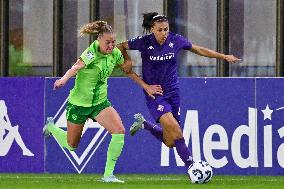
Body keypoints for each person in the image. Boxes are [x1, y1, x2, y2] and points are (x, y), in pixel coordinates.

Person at [117, 12, 241, 168]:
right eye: (160, 30)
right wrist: (127, 59)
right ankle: (192, 167)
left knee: (170, 141)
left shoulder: (175, 40)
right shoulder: (143, 42)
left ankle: (145, 125)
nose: (163, 33)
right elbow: (120, 45)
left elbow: (198, 49)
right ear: (152, 29)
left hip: (173, 93)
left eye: (166, 29)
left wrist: (223, 56)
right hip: (155, 94)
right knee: (176, 129)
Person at [43, 21, 132, 183]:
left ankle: (108, 175)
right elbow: (76, 67)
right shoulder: (91, 53)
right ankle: (51, 127)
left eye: (113, 42)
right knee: (72, 145)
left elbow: (127, 68)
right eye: (108, 42)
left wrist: (145, 84)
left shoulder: (115, 53)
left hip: (99, 103)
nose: (111, 45)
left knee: (119, 131)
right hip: (79, 104)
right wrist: (63, 80)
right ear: (99, 40)